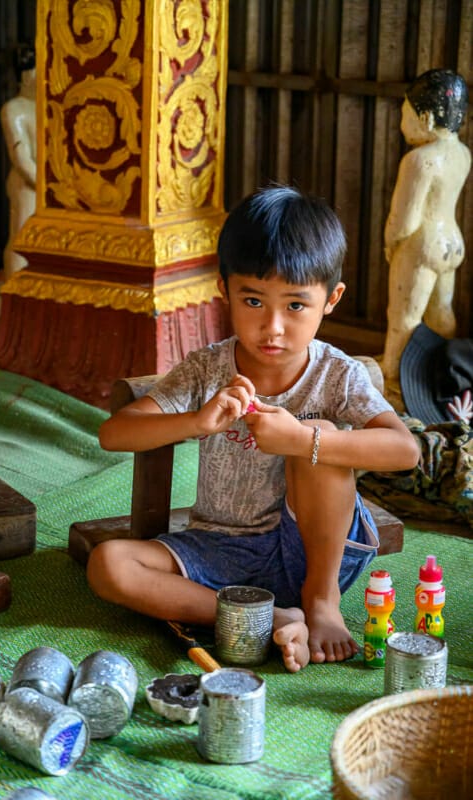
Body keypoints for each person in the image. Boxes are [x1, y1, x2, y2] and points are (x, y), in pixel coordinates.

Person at [87, 186, 419, 671]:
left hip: (312, 554)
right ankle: (271, 617)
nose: (274, 327)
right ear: (224, 290)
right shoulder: (207, 369)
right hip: (214, 552)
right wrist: (197, 420)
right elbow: (114, 434)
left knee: (321, 438)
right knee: (109, 565)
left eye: (296, 305)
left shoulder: (336, 374)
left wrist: (300, 439)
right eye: (253, 300)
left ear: (331, 299)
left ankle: (321, 603)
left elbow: (405, 450)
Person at [381, 69, 470, 386]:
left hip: (422, 245)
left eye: (406, 116)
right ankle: (444, 369)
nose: (402, 124)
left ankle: (394, 376)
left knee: (404, 317)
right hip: (452, 242)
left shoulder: (419, 160)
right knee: (441, 311)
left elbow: (405, 219)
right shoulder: (463, 154)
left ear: (427, 118)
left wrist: (391, 242)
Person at [0, 45, 37, 278]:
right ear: (26, 75)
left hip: (48, 184)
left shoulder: (47, 107)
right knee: (21, 236)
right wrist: (43, 184)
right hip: (27, 184)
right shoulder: (14, 109)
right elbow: (21, 158)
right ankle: (14, 284)